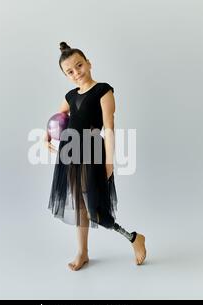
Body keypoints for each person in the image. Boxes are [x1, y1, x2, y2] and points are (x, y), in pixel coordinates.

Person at [44, 42, 146, 271]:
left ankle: (134, 237)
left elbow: (109, 127)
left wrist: (109, 161)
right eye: (69, 71)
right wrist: (46, 134)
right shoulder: (70, 95)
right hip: (70, 154)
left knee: (96, 211)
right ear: (65, 75)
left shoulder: (103, 91)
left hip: (92, 153)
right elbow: (59, 117)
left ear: (88, 63)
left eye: (79, 66)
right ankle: (83, 252)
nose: (76, 73)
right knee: (79, 204)